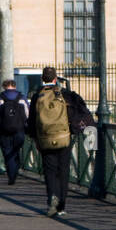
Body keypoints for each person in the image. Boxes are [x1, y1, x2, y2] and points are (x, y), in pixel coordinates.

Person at [27, 67, 94, 218]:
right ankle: (62, 205)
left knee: (49, 171)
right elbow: (80, 112)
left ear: (43, 79)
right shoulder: (66, 94)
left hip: (45, 138)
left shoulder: (37, 95)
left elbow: (31, 120)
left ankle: (52, 197)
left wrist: (34, 137)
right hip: (64, 137)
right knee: (63, 171)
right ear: (56, 79)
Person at [0, 79, 30, 185]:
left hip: (4, 130)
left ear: (4, 86)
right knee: (16, 151)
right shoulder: (22, 98)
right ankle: (15, 168)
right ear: (15, 86)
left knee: (7, 152)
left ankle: (11, 175)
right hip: (19, 130)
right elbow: (28, 114)